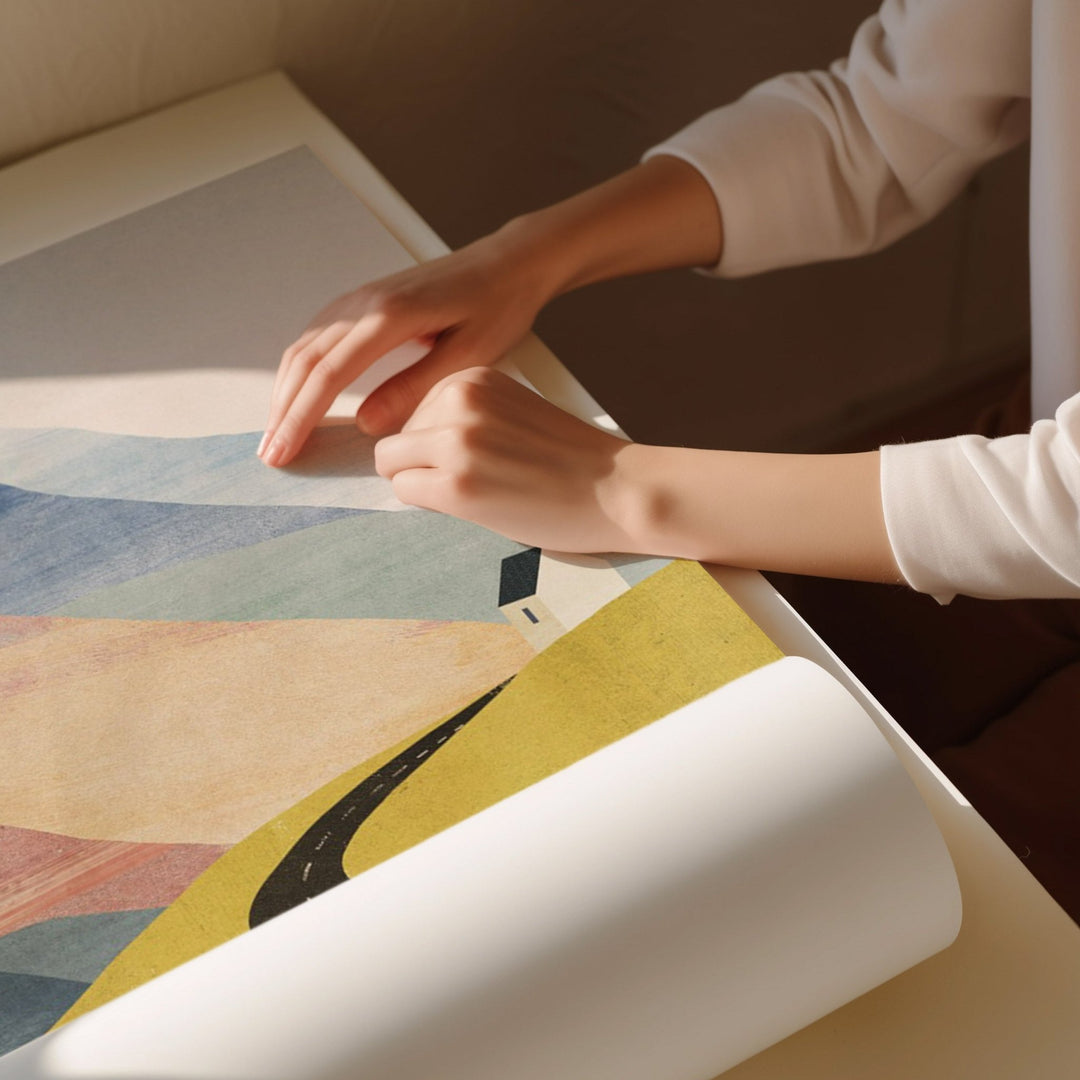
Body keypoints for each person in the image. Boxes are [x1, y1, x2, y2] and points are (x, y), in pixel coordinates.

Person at [260, 0, 1080, 913]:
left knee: (875, 902)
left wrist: (617, 484)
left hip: (1050, 497)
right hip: (1033, 461)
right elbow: (894, 121)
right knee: (730, 734)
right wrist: (526, 257)